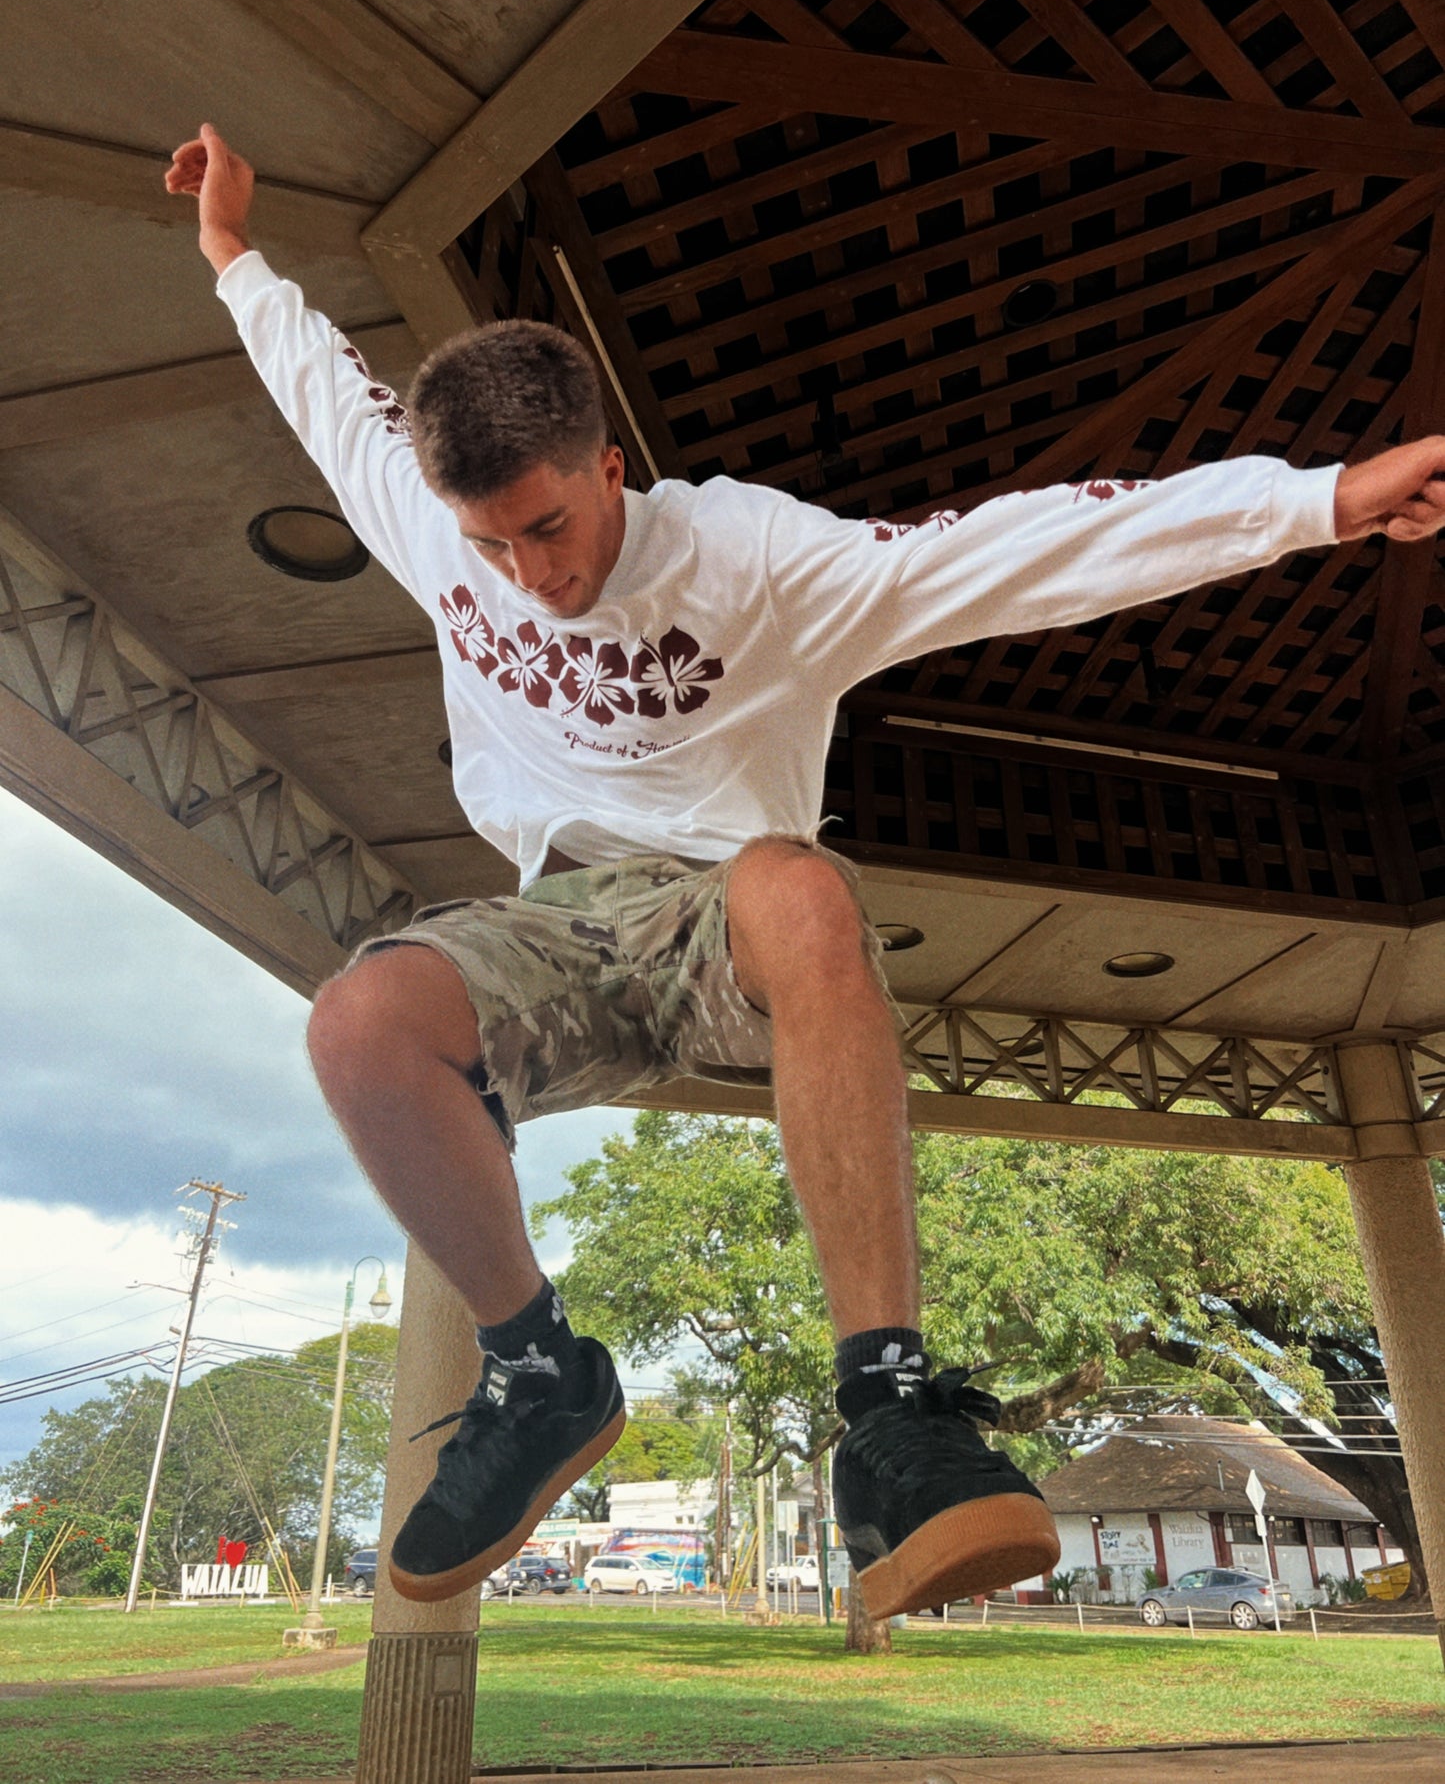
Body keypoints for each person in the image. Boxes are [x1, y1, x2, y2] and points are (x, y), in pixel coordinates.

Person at [167, 123, 1445, 1621]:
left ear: (607, 466)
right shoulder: (440, 529)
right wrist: (231, 252)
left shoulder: (757, 557)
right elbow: (324, 392)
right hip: (565, 916)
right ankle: (540, 1375)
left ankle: (888, 1412)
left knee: (797, 885)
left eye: (551, 528)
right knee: (356, 1023)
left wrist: (1313, 503)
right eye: (488, 544)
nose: (526, 574)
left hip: (729, 916)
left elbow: (1018, 551)